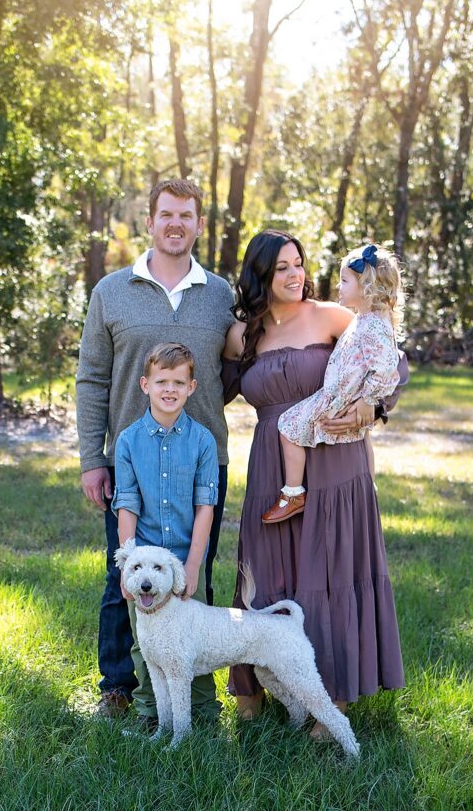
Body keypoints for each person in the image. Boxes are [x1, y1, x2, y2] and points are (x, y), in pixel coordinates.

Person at [222, 229, 406, 737]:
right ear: (260, 275)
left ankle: (334, 698)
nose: (296, 274)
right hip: (271, 463)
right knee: (267, 571)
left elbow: (390, 356)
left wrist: (374, 405)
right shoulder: (242, 336)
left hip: (337, 463)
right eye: (282, 267)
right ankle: (256, 687)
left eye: (299, 263)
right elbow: (203, 392)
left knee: (330, 573)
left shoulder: (332, 317)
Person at [76, 179, 234, 718]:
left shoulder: (220, 294)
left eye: (186, 215)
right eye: (166, 214)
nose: (175, 224)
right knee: (124, 576)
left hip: (199, 461)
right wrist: (92, 460)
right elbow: (92, 378)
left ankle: (190, 696)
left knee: (193, 575)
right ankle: (118, 689)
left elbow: (233, 370)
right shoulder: (111, 292)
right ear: (150, 222)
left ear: (198, 225)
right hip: (132, 463)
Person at [113, 342, 221, 725]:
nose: (169, 389)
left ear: (192, 387)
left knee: (198, 635)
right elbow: (126, 503)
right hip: (146, 565)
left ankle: (204, 711)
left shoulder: (203, 441)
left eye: (179, 382)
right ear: (145, 384)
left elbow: (205, 506)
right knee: (147, 644)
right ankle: (151, 711)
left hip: (183, 557)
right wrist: (128, 565)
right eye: (161, 381)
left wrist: (193, 565)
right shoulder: (127, 441)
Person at [262, 243, 404, 524]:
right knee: (361, 436)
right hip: (340, 394)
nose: (338, 286)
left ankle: (293, 492)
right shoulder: (361, 320)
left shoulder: (373, 324)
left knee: (288, 425)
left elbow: (390, 366)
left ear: (367, 287)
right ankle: (366, 487)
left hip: (339, 398)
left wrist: (370, 401)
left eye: (344, 281)